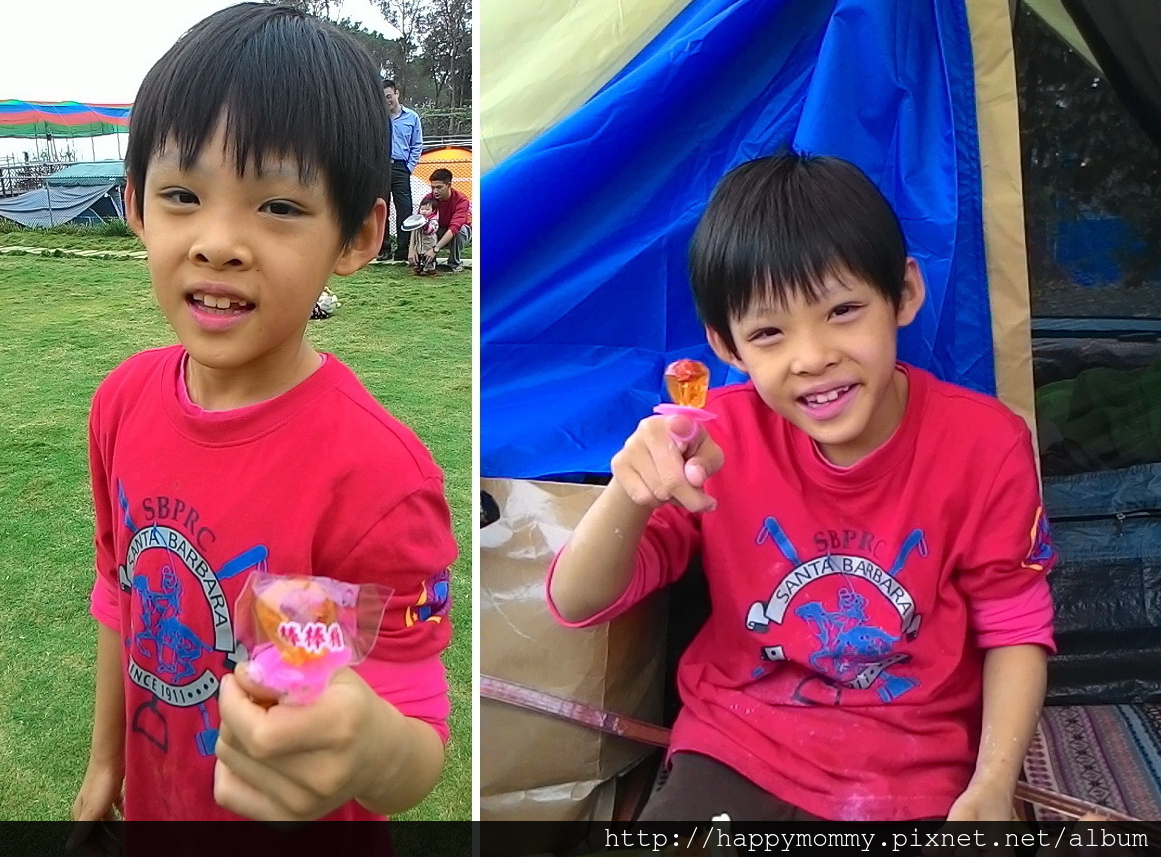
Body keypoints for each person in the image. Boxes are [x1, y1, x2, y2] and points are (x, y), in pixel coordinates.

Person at [547, 152, 1056, 822]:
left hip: (920, 770)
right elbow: (575, 599)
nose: (812, 356)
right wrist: (628, 491)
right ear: (727, 346)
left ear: (903, 294)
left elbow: (1015, 624)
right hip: (737, 750)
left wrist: (991, 786)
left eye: (843, 309)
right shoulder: (711, 441)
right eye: (768, 332)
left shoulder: (986, 447)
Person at [70, 3, 455, 828]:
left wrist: (375, 750)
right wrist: (106, 761)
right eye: (182, 194)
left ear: (358, 236)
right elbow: (120, 588)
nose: (217, 241)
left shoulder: (382, 477)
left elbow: (419, 734)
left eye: (277, 207)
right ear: (135, 206)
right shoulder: (120, 403)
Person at [379, 79, 423, 262]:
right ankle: (384, 248)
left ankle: (403, 250)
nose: (387, 100)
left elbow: (417, 144)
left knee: (404, 209)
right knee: (382, 210)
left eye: (389, 96)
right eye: (383, 98)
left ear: (396, 94)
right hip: (380, 169)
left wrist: (408, 167)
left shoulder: (412, 117)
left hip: (400, 168)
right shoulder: (378, 118)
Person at [418, 168, 471, 274]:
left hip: (457, 232)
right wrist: (412, 250)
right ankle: (427, 263)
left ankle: (454, 264)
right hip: (438, 230)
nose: (435, 191)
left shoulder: (461, 200)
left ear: (448, 185)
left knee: (460, 230)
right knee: (426, 228)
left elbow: (454, 228)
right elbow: (418, 223)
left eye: (439, 187)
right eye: (433, 187)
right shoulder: (429, 199)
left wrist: (435, 249)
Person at [409, 198, 440, 276]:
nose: (423, 211)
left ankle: (430, 270)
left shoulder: (433, 221)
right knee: (418, 258)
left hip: (428, 246)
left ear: (433, 210)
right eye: (422, 209)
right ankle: (417, 268)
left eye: (427, 209)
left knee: (429, 260)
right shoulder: (418, 219)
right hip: (419, 245)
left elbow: (429, 231)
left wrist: (425, 224)